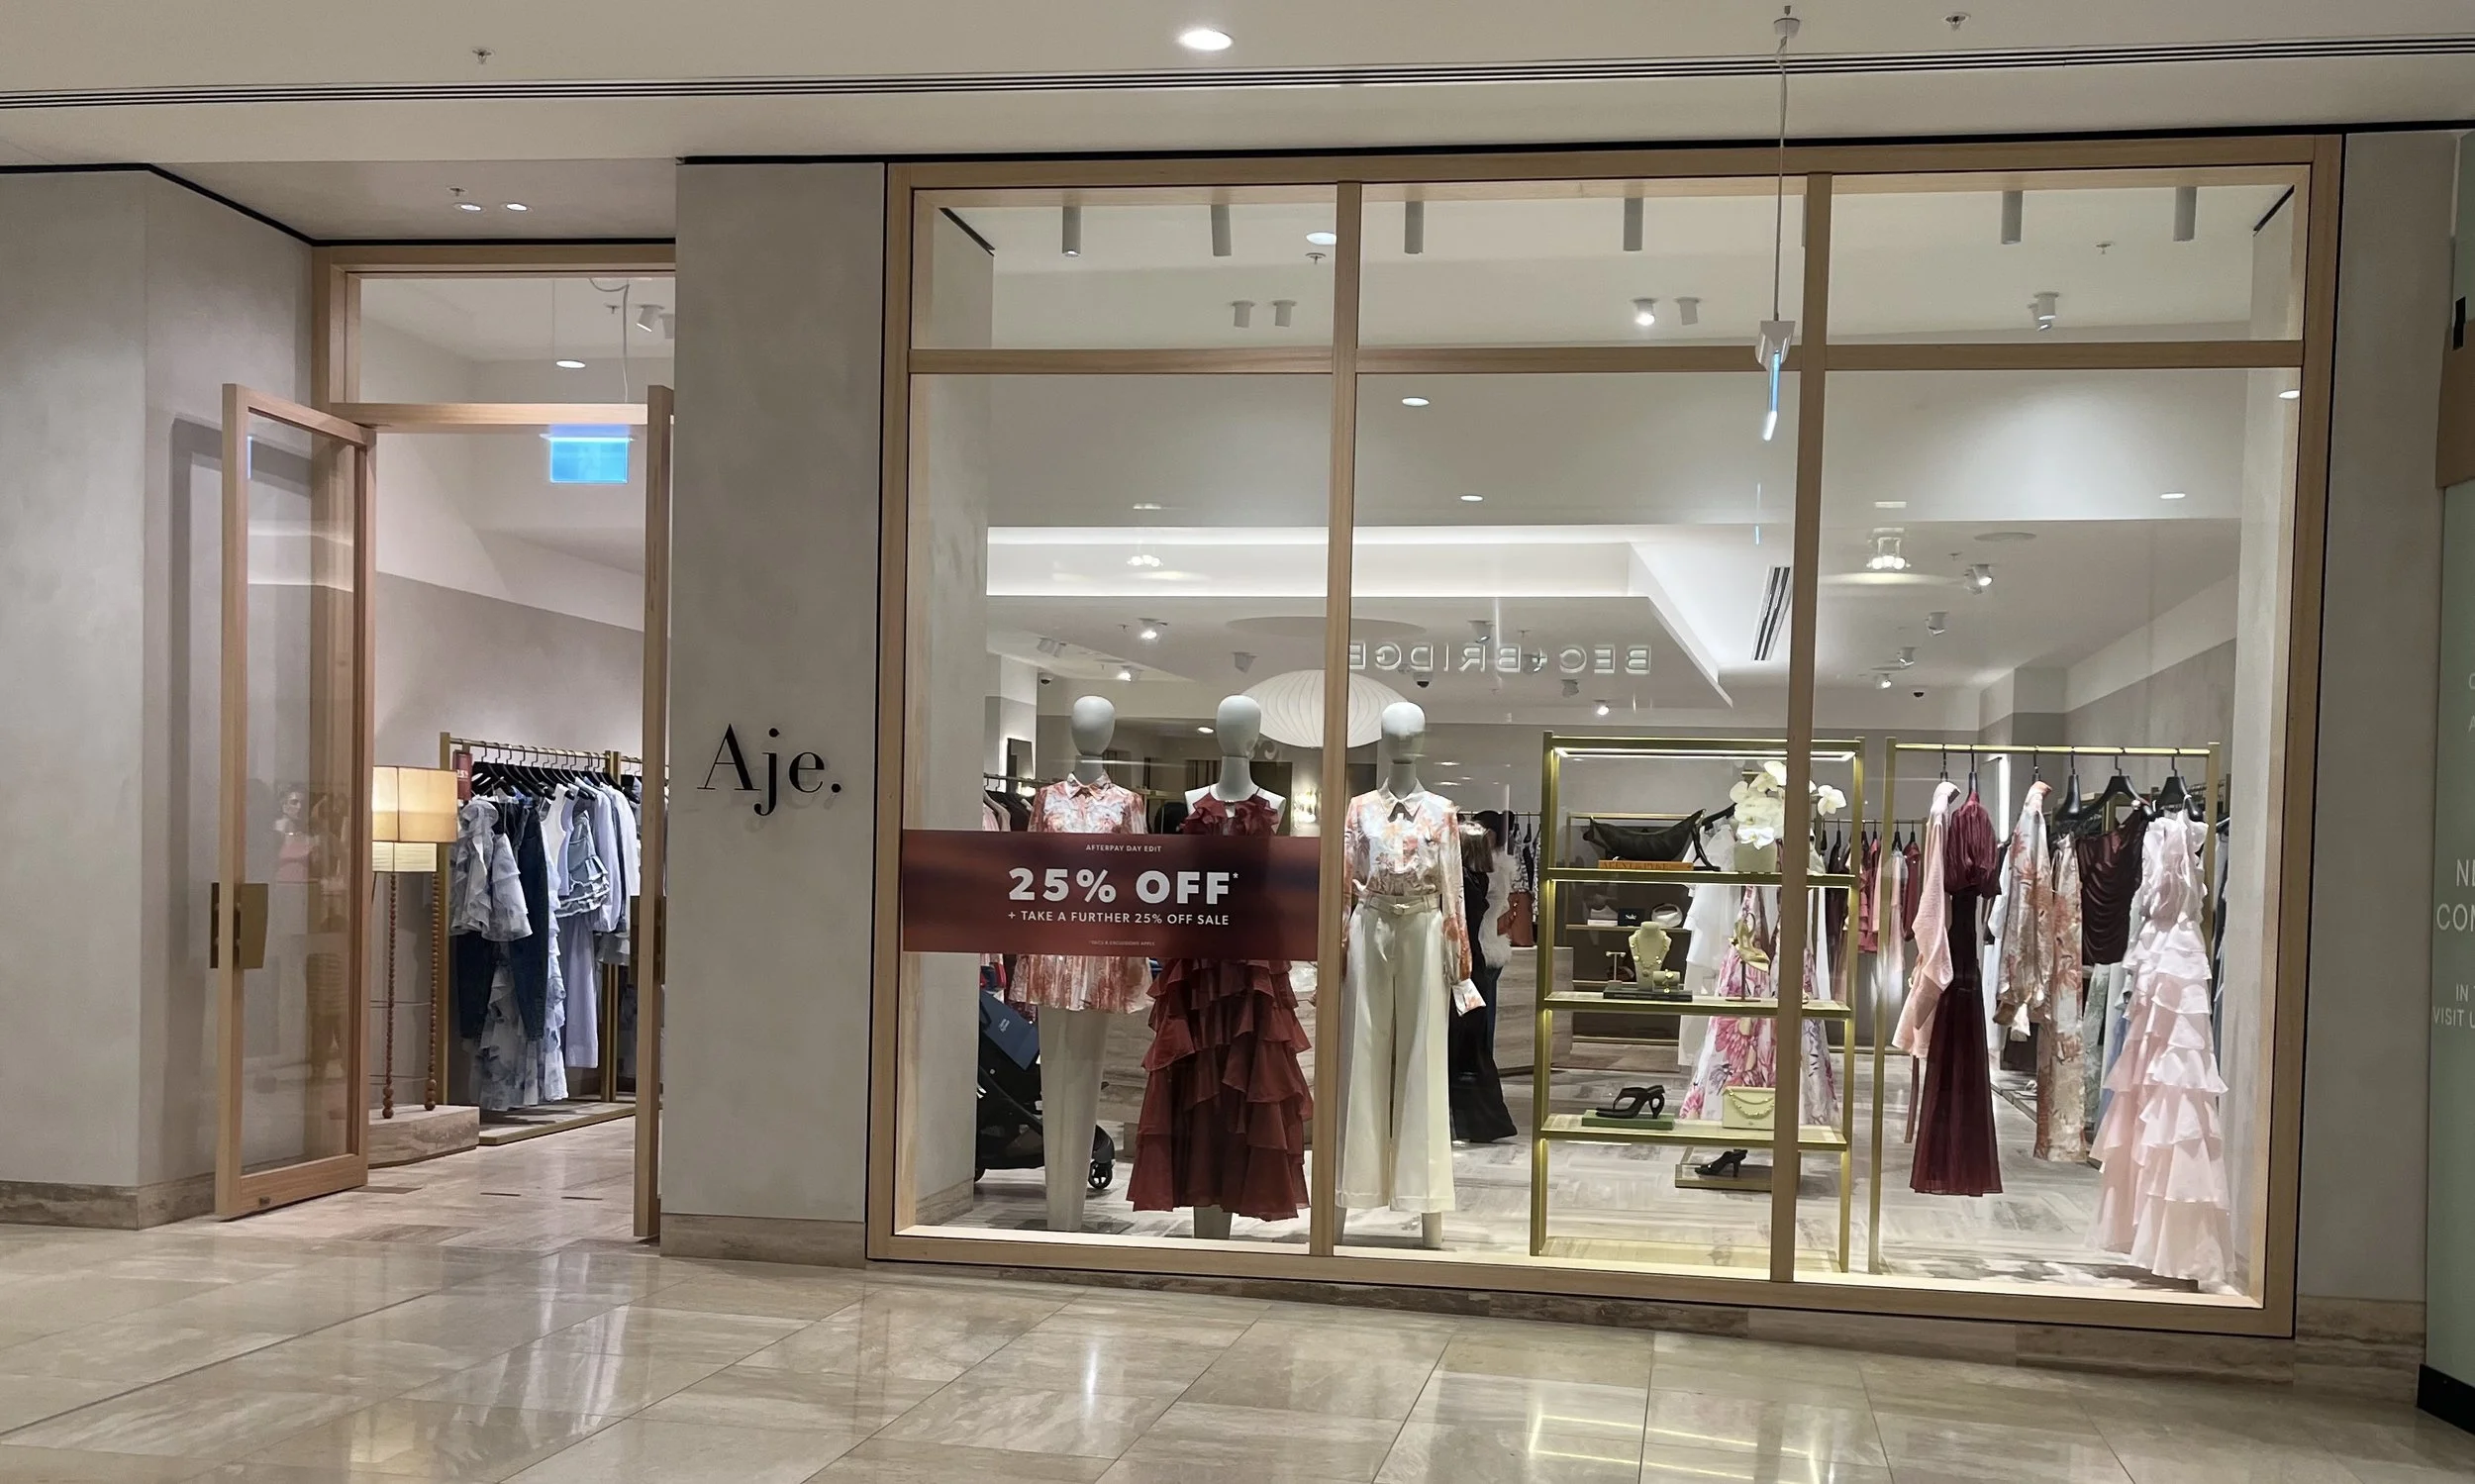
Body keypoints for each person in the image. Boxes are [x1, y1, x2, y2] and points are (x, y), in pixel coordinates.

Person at [1448, 811, 1518, 1142]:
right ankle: (1480, 1122)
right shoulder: (1478, 881)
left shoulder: (1467, 884)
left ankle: (1474, 1121)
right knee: (1472, 1042)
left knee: (1465, 1041)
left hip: (1466, 963)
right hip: (1471, 961)